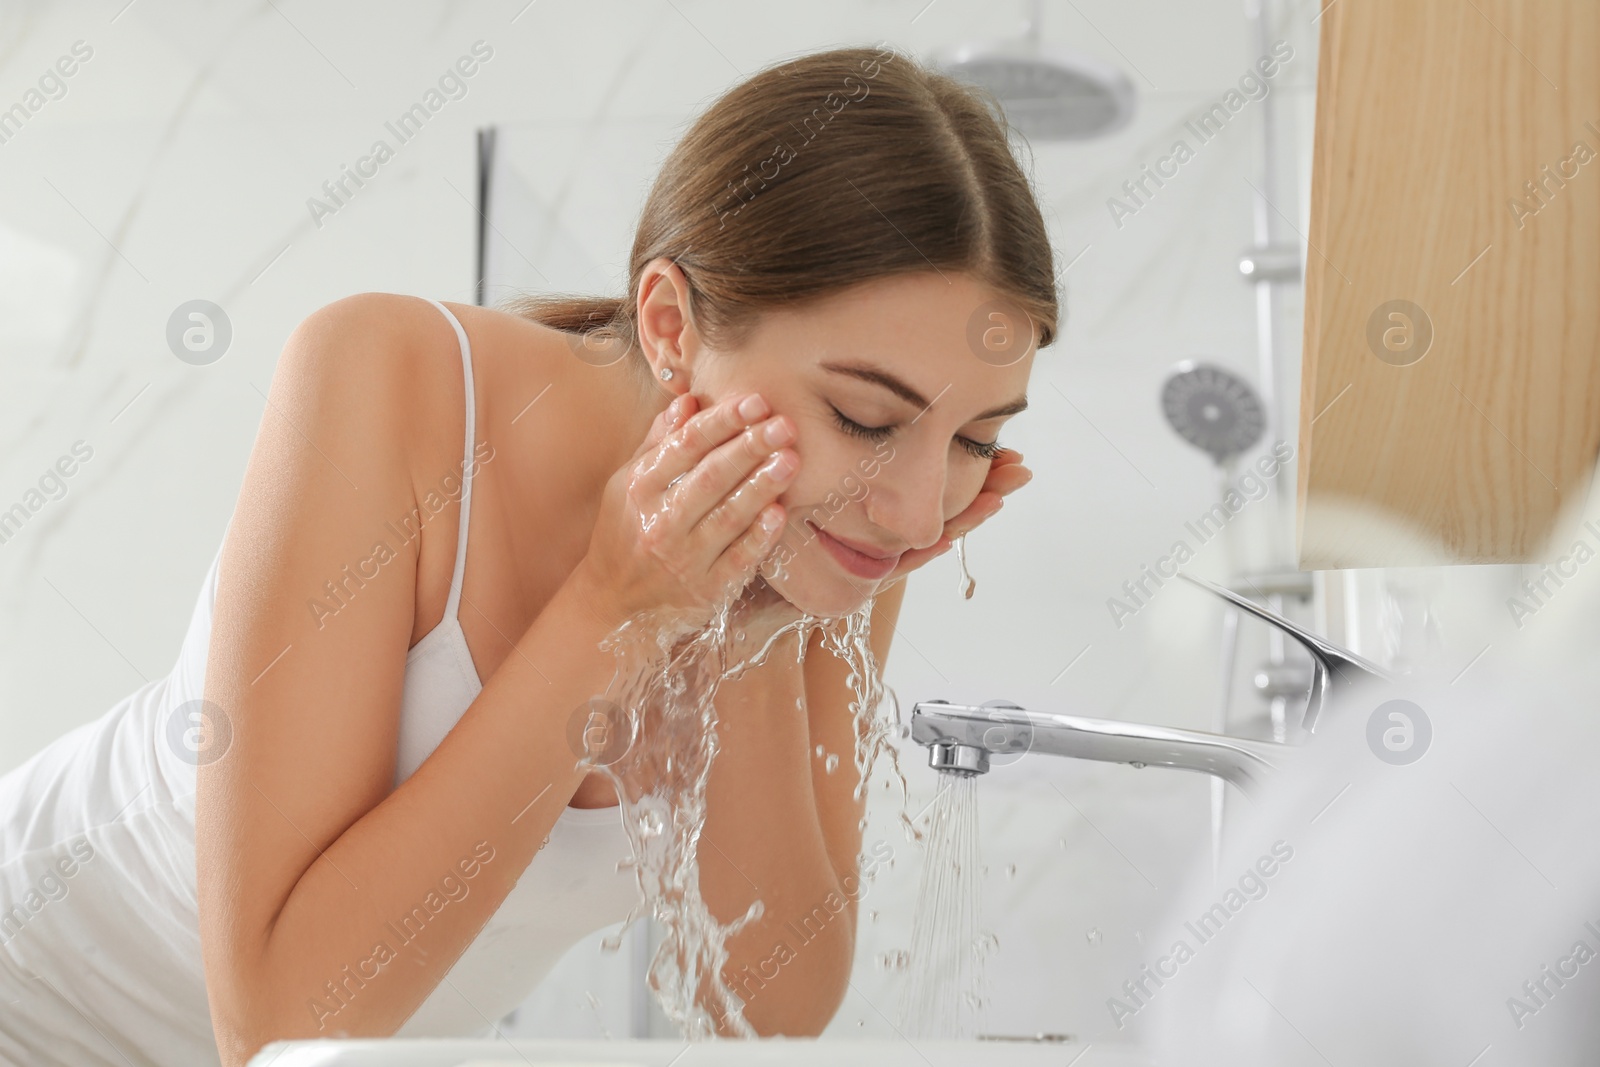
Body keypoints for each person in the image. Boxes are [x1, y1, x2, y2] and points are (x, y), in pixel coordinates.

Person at [0, 43, 1056, 1067]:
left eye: (976, 439)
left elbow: (767, 1011)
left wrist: (752, 618)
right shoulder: (389, 378)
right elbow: (279, 1025)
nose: (921, 507)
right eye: (865, 416)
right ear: (669, 323)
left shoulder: (829, 528)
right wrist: (613, 611)